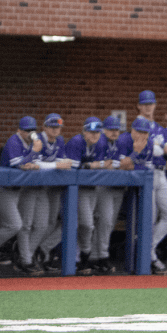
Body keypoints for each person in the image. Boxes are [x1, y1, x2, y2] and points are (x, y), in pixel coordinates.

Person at [0, 116, 43, 273]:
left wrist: (33, 161)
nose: (29, 133)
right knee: (14, 225)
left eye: (32, 130)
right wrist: (33, 153)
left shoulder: (33, 142)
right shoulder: (14, 141)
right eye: (26, 130)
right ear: (19, 130)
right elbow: (19, 164)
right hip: (1, 189)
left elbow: (34, 163)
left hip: (15, 190)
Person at [118, 115, 167, 274]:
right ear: (132, 130)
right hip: (135, 186)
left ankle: (149, 248)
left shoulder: (150, 142)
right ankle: (149, 257)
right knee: (149, 220)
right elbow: (122, 167)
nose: (142, 135)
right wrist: (136, 153)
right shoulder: (124, 140)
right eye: (139, 131)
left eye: (145, 132)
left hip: (156, 177)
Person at [20, 114, 70, 273]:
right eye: (52, 126)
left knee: (45, 224)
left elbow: (64, 163)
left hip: (48, 188)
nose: (56, 130)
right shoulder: (38, 139)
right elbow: (33, 163)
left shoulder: (60, 140)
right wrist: (55, 165)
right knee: (27, 224)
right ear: (45, 127)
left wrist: (56, 165)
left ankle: (30, 253)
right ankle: (24, 256)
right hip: (30, 186)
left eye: (58, 127)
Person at [62, 117, 108, 274]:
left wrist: (91, 165)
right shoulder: (76, 142)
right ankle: (79, 257)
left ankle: (81, 257)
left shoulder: (101, 143)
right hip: (73, 189)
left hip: (91, 188)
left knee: (86, 224)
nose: (95, 135)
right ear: (84, 131)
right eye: (91, 132)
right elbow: (73, 171)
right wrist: (92, 166)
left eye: (97, 132)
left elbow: (104, 166)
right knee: (82, 224)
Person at [92, 115, 125, 273]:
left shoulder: (120, 143)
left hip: (116, 188)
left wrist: (116, 165)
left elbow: (123, 165)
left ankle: (97, 255)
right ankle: (99, 256)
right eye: (111, 129)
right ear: (104, 130)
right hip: (102, 187)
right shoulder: (100, 142)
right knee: (103, 222)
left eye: (116, 129)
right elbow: (104, 166)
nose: (114, 132)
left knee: (108, 223)